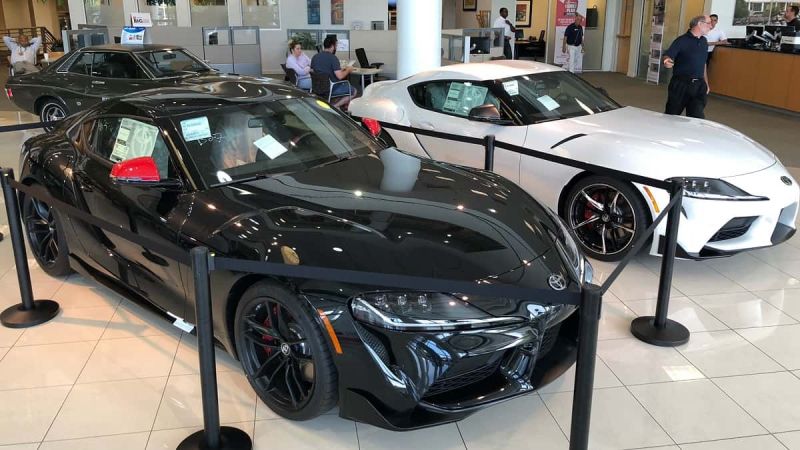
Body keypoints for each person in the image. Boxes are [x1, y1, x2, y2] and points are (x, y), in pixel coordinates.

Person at [662, 15, 712, 119]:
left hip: (699, 85)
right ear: (699, 24)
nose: (711, 26)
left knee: (697, 117)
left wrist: (706, 83)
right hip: (681, 84)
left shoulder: (704, 42)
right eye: (708, 23)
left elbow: (703, 63)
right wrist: (666, 61)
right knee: (671, 115)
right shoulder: (681, 40)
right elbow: (668, 55)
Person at [310, 35, 358, 109]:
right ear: (332, 46)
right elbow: (340, 76)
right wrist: (348, 70)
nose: (336, 47)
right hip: (331, 88)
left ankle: (333, 102)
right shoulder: (333, 58)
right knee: (354, 91)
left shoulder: (315, 57)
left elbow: (313, 71)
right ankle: (334, 107)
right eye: (336, 45)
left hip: (316, 88)